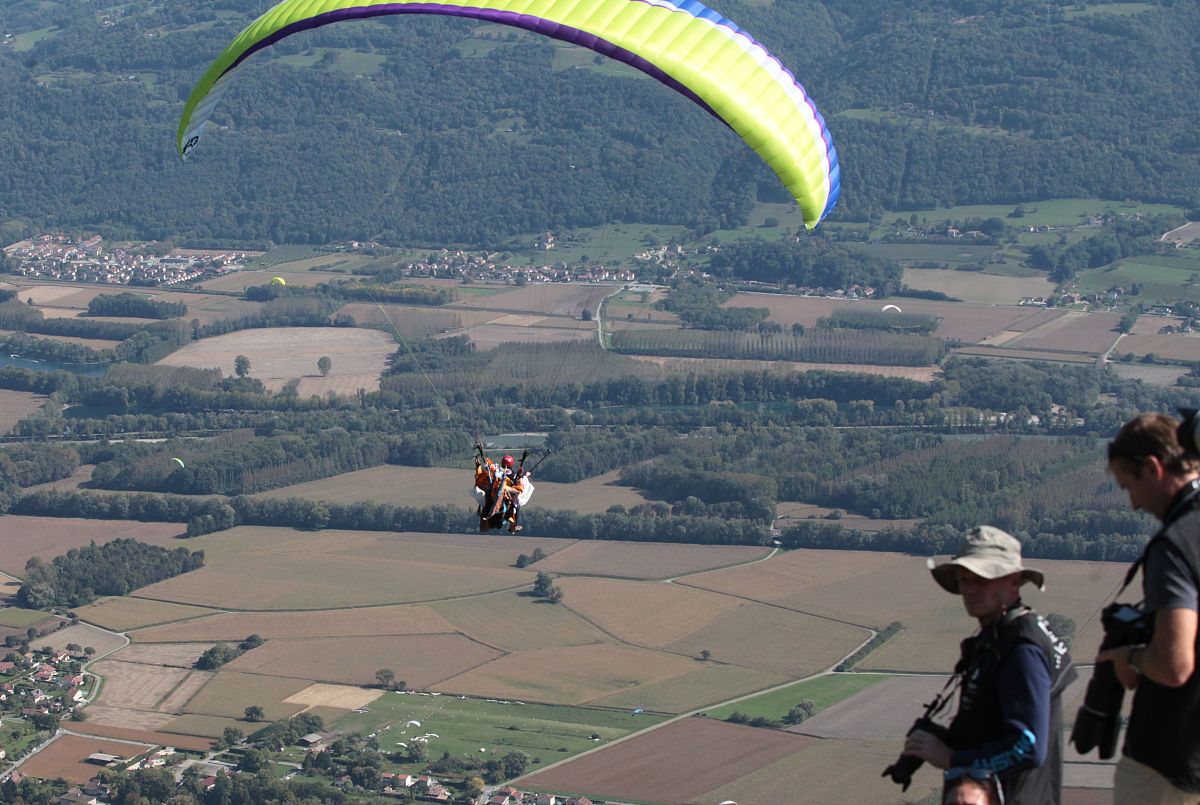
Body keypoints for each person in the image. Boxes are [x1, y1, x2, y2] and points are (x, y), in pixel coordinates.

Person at [902, 525, 1076, 804]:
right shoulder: (1000, 637)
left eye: (982, 579)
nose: (970, 589)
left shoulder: (1021, 649)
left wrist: (951, 757)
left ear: (1014, 581)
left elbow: (1028, 747)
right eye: (964, 579)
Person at [1098, 412, 1200, 803]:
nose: (1133, 505)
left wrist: (1133, 657)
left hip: (1170, 761)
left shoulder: (1177, 544)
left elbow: (1174, 665)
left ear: (1153, 468)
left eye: (1129, 487)